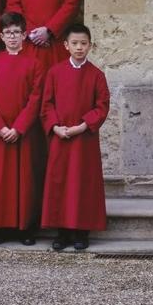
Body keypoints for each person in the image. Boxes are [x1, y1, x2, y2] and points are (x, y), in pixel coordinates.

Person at [0, 12, 46, 246]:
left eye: (17, 32)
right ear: (1, 36)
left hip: (23, 133)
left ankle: (25, 227)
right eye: (8, 33)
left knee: (24, 179)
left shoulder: (35, 65)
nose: (13, 37)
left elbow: (36, 98)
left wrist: (18, 127)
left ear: (25, 35)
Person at [41, 24, 110, 251]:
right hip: (61, 138)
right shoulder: (55, 72)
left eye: (83, 43)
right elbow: (47, 104)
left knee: (82, 184)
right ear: (66, 46)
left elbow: (102, 106)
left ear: (90, 45)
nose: (79, 48)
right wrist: (55, 127)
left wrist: (83, 125)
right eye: (75, 43)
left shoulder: (97, 75)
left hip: (84, 140)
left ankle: (81, 231)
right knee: (60, 183)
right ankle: (62, 232)